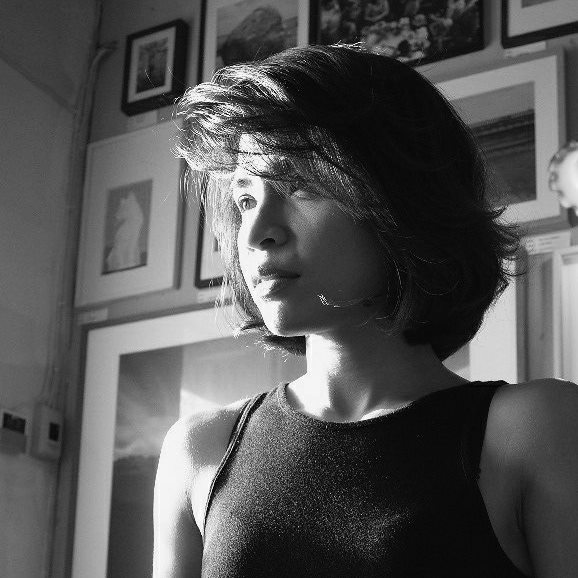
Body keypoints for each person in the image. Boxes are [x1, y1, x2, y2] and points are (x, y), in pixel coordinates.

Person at [153, 44, 578, 577]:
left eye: (299, 185)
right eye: (245, 199)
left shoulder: (536, 430)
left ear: (401, 199)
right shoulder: (201, 449)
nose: (257, 232)